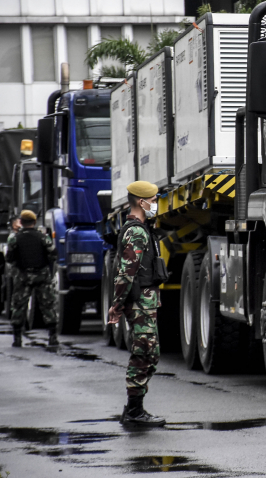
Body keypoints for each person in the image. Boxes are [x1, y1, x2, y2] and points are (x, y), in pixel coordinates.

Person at [107, 181, 167, 427]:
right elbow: (126, 273)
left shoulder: (140, 229)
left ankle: (135, 409)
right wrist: (117, 305)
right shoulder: (137, 232)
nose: (155, 204)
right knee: (143, 353)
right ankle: (134, 411)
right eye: (153, 201)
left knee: (149, 353)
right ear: (141, 202)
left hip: (144, 302)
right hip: (139, 303)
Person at [8, 210, 58, 347]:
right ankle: (52, 337)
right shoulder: (42, 237)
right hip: (41, 275)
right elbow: (53, 254)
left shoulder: (15, 238)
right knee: (48, 305)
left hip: (23, 276)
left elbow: (9, 258)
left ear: (22, 223)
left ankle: (17, 338)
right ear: (34, 222)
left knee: (19, 305)